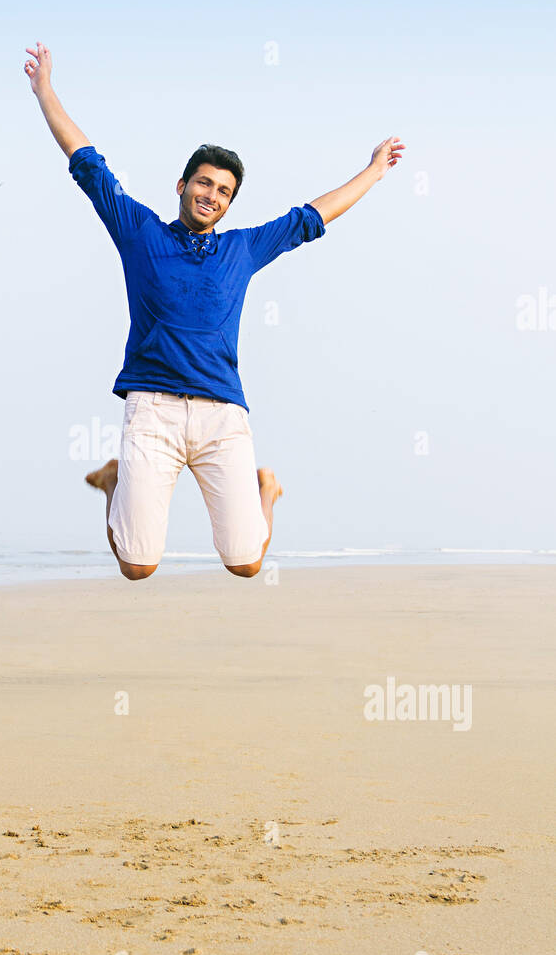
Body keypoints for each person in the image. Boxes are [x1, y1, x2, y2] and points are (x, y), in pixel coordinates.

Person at [25, 40, 404, 582]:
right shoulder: (139, 232)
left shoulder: (242, 249)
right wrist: (45, 90)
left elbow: (312, 217)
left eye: (224, 191)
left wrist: (372, 172)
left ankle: (264, 488)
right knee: (137, 567)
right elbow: (87, 163)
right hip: (152, 409)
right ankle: (114, 482)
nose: (212, 195)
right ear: (182, 186)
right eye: (204, 182)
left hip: (221, 415)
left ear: (229, 203)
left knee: (247, 564)